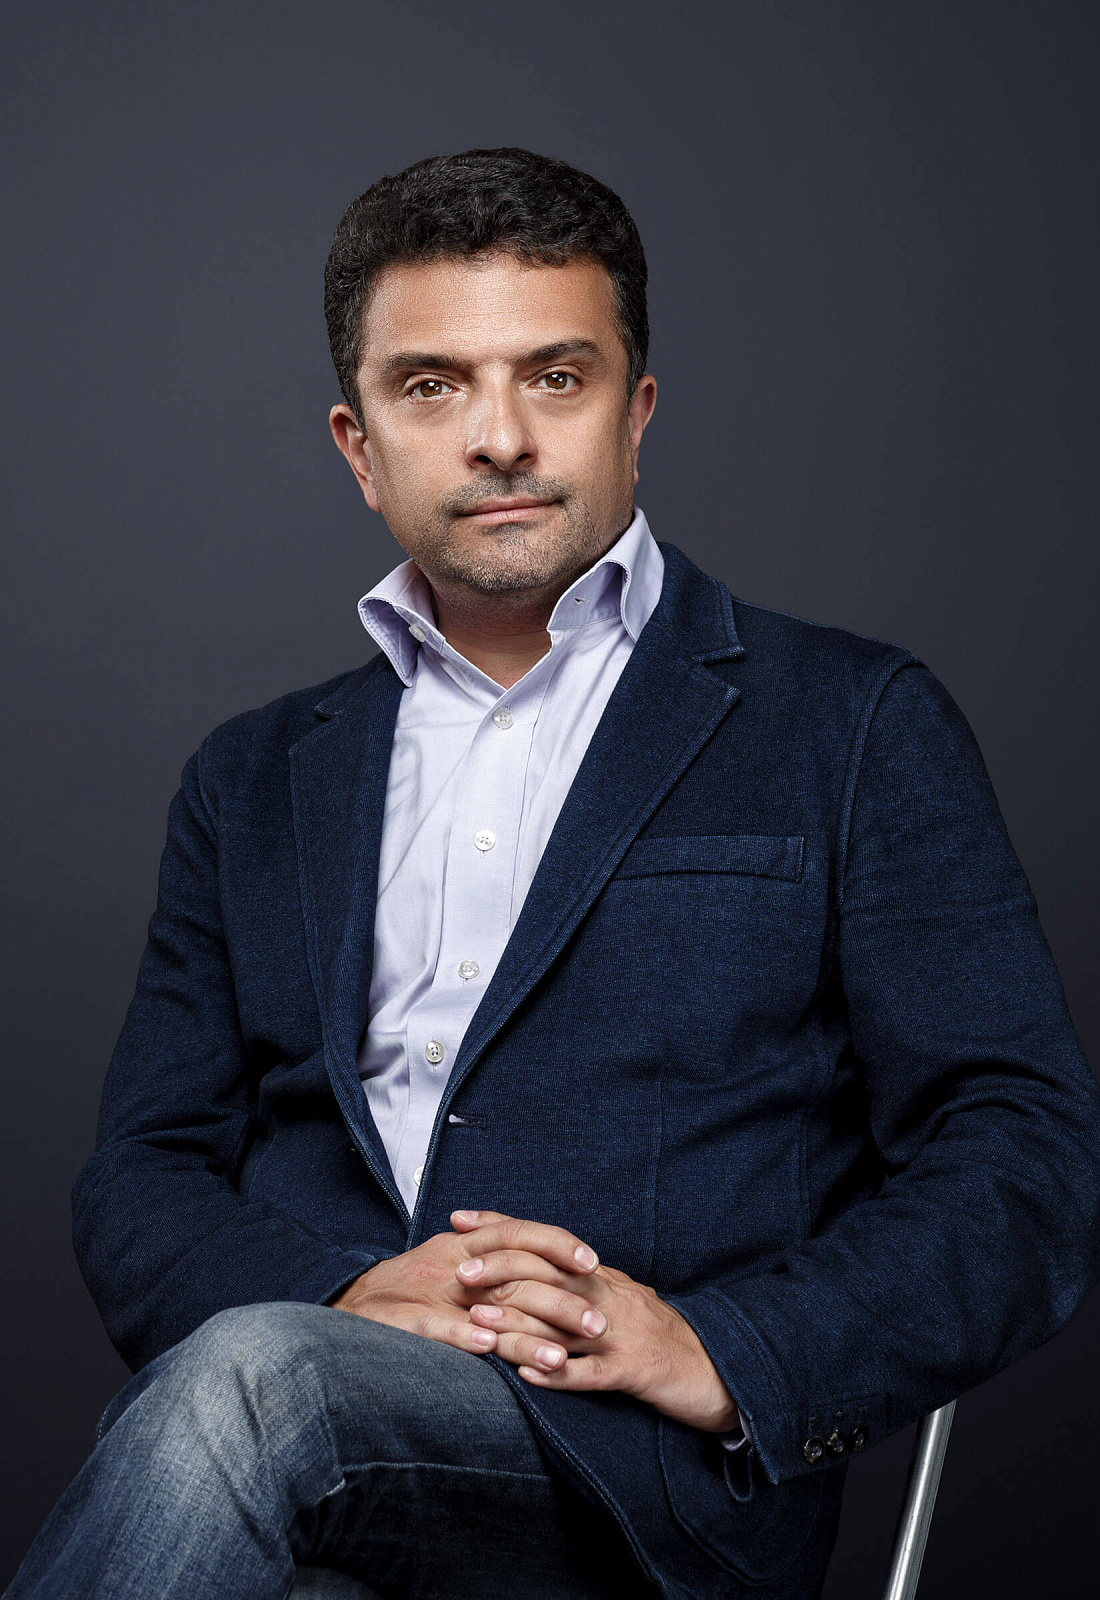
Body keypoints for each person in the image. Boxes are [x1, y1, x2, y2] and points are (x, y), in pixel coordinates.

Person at [8, 147, 1100, 1600]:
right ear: (358, 446)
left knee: (251, 1391)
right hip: (297, 1456)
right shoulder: (252, 778)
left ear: (635, 412)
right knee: (269, 1429)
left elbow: (1023, 1156)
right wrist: (340, 1297)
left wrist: (721, 1349)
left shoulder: (848, 723)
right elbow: (142, 1175)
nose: (501, 438)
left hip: (640, 1487)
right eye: (433, 386)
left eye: (556, 377)